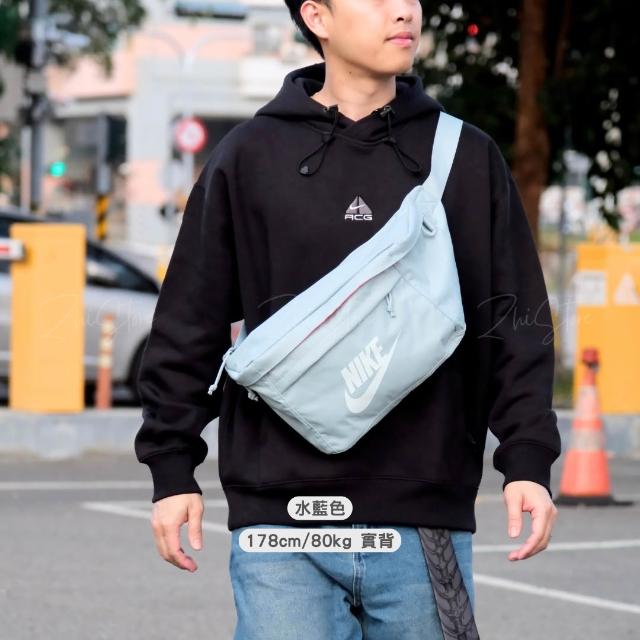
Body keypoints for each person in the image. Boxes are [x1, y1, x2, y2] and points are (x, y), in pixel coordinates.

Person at [134, 0, 562, 636]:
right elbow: (188, 324)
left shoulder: (464, 156)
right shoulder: (248, 156)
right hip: (280, 527)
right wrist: (172, 469)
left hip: (421, 517)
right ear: (318, 17)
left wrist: (527, 459)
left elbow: (513, 321)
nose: (404, 11)